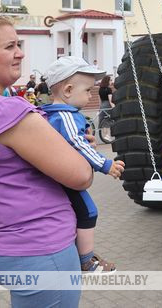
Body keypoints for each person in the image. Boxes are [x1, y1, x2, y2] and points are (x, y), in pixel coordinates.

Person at [0, 14, 94, 307]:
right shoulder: (4, 110)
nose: (20, 53)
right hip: (40, 248)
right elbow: (81, 175)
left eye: (20, 44)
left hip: (4, 243)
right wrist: (73, 150)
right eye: (10, 46)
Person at [40, 56, 125, 272]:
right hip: (66, 177)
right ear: (68, 90)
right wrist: (105, 164)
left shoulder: (56, 114)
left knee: (77, 212)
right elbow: (79, 144)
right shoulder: (66, 116)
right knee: (88, 212)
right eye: (87, 90)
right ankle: (86, 259)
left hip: (58, 176)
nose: (90, 95)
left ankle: (81, 253)